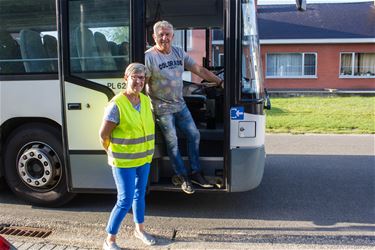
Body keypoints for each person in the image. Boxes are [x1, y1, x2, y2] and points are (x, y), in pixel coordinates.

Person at [145, 20, 224, 194]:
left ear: (172, 36)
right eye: (161, 35)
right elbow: (141, 81)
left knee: (194, 135)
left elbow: (198, 69)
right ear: (154, 37)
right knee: (172, 143)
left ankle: (196, 172)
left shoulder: (179, 52)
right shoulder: (149, 57)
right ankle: (183, 176)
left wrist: (219, 81)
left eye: (167, 34)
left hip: (180, 104)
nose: (164, 38)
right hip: (161, 108)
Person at [99, 63, 156, 250]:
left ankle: (139, 230)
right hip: (124, 162)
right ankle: (110, 240)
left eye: (142, 78)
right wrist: (111, 152)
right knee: (124, 200)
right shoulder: (117, 104)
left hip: (144, 159)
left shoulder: (146, 101)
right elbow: (103, 135)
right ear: (126, 78)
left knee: (140, 195)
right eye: (135, 77)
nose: (139, 81)